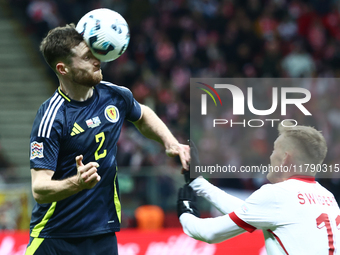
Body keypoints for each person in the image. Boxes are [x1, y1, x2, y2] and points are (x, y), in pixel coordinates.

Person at [25, 24, 190, 255]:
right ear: (63, 68)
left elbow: (143, 115)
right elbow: (39, 188)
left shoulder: (114, 95)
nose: (97, 60)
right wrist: (78, 183)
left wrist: (169, 141)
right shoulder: (52, 118)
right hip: (56, 237)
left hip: (103, 234)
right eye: (86, 57)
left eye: (95, 53)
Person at [178, 123, 340, 254]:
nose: (270, 157)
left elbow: (210, 233)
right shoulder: (328, 198)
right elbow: (249, 211)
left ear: (285, 157)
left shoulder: (277, 195)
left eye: (275, 149)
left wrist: (185, 213)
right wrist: (199, 184)